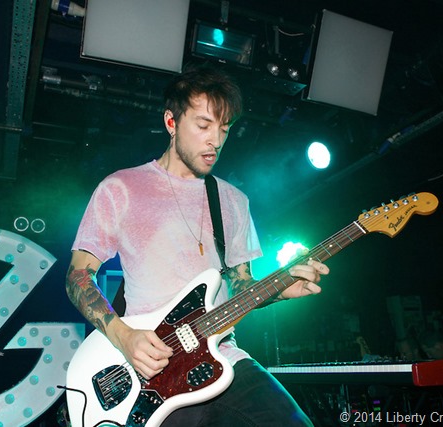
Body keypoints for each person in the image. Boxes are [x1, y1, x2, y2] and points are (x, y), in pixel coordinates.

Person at [65, 66, 329, 426]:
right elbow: (78, 277)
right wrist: (124, 337)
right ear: (171, 122)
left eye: (224, 129)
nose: (215, 141)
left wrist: (280, 289)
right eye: (204, 125)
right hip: (152, 369)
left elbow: (242, 286)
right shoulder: (120, 188)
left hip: (223, 356)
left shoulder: (233, 201)